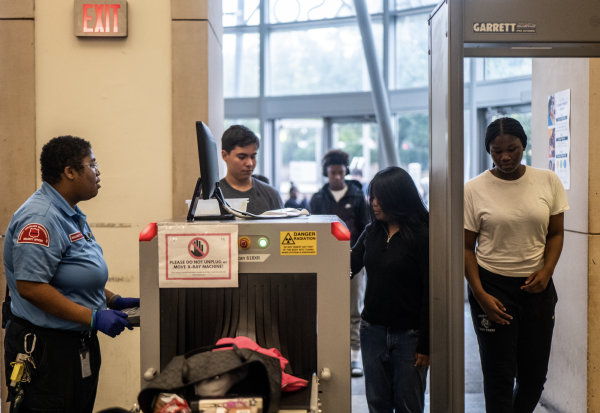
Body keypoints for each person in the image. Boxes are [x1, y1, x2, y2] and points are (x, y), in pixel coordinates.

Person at [3, 136, 139, 413]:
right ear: (70, 172)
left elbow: (72, 275)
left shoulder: (69, 213)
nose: (98, 171)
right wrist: (93, 316)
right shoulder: (40, 219)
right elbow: (31, 286)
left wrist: (111, 300)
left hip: (76, 343)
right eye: (92, 164)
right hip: (47, 350)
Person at [464, 117, 568, 413]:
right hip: (492, 287)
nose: (505, 157)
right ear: (488, 150)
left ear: (524, 145)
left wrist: (547, 272)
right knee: (498, 377)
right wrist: (480, 294)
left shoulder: (547, 180)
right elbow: (465, 247)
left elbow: (556, 233)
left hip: (537, 286)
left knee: (534, 378)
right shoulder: (473, 189)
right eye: (497, 151)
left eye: (513, 149)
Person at [351, 166, 430, 413]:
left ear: (398, 197)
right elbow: (347, 267)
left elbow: (431, 292)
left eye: (380, 198)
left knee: (408, 406)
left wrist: (426, 344)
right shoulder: (371, 232)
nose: (373, 203)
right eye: (372, 197)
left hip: (410, 336)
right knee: (377, 404)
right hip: (372, 331)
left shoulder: (423, 236)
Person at [310, 150, 368, 376]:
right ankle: (329, 354)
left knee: (354, 309)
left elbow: (366, 229)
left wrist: (361, 257)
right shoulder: (317, 198)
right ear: (327, 173)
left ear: (346, 172)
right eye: (333, 173)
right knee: (325, 308)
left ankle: (355, 356)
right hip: (325, 260)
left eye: (340, 173)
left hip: (352, 258)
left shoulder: (357, 196)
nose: (337, 177)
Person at [219, 125, 283, 215]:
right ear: (225, 155)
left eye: (253, 156)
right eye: (242, 157)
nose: (249, 163)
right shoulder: (212, 197)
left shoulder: (272, 195)